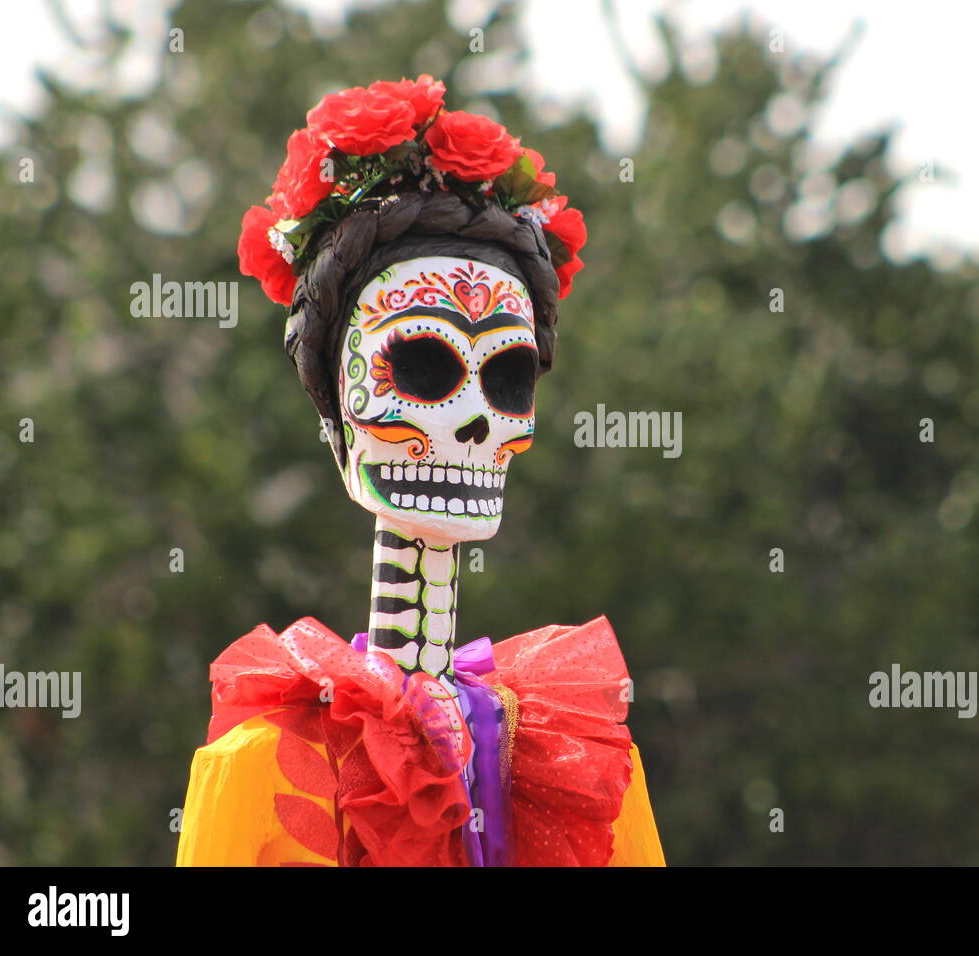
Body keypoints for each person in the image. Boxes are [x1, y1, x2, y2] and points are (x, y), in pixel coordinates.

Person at [175, 76, 664, 867]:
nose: (475, 422)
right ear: (339, 422)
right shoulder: (264, 766)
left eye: (507, 380)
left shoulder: (584, 760)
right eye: (422, 367)